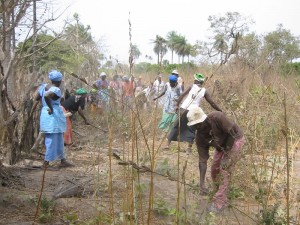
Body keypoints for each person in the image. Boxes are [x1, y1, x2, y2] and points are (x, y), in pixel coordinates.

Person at [187, 106, 244, 212]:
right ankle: (220, 190)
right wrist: (202, 184)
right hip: (221, 146)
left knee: (224, 170)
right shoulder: (200, 137)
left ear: (205, 119)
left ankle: (220, 202)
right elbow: (202, 161)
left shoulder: (217, 117)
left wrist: (226, 157)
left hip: (235, 139)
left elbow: (232, 133)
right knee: (215, 169)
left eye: (199, 124)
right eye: (195, 126)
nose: (199, 127)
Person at [165, 73, 222, 153]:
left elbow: (182, 95)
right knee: (192, 129)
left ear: (195, 80)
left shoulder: (192, 86)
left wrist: (177, 105)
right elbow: (212, 103)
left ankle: (167, 144)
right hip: (194, 112)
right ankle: (189, 148)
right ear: (202, 82)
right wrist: (220, 110)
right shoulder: (204, 91)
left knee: (176, 125)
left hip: (184, 108)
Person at [36, 70, 72, 167]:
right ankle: (46, 162)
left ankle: (62, 160)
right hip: (52, 114)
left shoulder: (43, 87)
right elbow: (47, 96)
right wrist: (51, 108)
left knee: (59, 137)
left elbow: (36, 97)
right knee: (51, 139)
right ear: (59, 81)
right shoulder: (56, 89)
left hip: (45, 113)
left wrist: (45, 105)